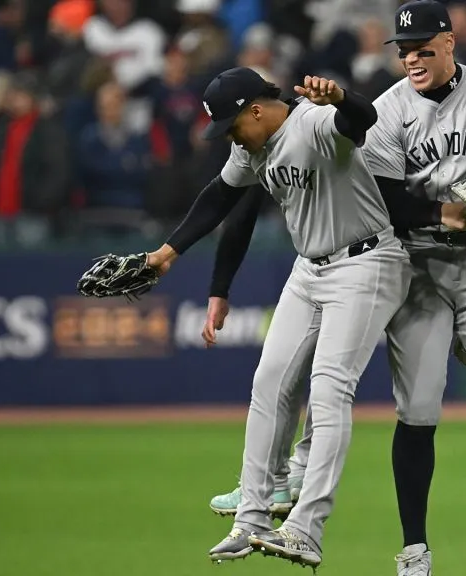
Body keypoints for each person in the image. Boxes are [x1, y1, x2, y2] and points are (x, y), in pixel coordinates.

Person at [208, 2, 466, 574]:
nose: (412, 58)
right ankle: (414, 552)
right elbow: (386, 201)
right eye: (404, 50)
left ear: (450, 43)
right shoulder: (388, 108)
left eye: (424, 47)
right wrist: (445, 212)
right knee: (419, 410)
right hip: (418, 268)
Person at [142, 66, 419, 569]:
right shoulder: (252, 147)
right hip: (309, 268)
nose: (230, 138)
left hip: (368, 262)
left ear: (255, 110)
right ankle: (252, 519)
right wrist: (168, 252)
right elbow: (219, 198)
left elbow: (362, 119)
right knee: (270, 381)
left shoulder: (312, 122)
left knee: (330, 389)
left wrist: (342, 97)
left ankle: (307, 529)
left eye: (231, 126)